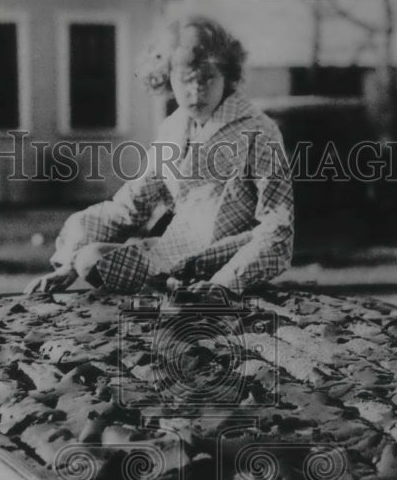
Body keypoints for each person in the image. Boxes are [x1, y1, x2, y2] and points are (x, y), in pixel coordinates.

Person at [26, 15, 294, 296]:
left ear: (227, 75)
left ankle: (184, 290)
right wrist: (67, 264)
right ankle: (170, 287)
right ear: (166, 76)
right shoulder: (173, 128)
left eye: (208, 78)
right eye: (186, 79)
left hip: (229, 259)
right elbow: (132, 205)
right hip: (173, 256)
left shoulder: (258, 130)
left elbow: (278, 226)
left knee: (204, 272)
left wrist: (225, 284)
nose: (196, 91)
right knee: (88, 258)